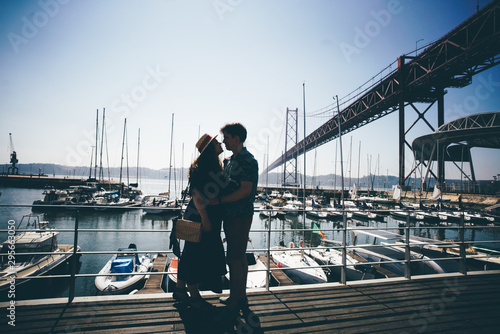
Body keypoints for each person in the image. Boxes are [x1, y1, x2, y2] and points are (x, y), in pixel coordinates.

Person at [210, 123, 259, 323]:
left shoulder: (248, 161)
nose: (224, 141)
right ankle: (241, 297)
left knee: (234, 259)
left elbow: (245, 190)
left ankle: (233, 303)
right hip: (230, 215)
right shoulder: (231, 160)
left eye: (227, 137)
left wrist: (219, 201)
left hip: (240, 215)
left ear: (237, 139)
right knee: (240, 258)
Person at [173, 134, 227, 311]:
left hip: (204, 216)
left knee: (190, 253)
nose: (220, 143)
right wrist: (205, 218)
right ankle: (194, 296)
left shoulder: (208, 165)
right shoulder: (202, 168)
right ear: (210, 148)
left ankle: (180, 289)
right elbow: (196, 195)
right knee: (195, 255)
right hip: (202, 217)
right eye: (217, 142)